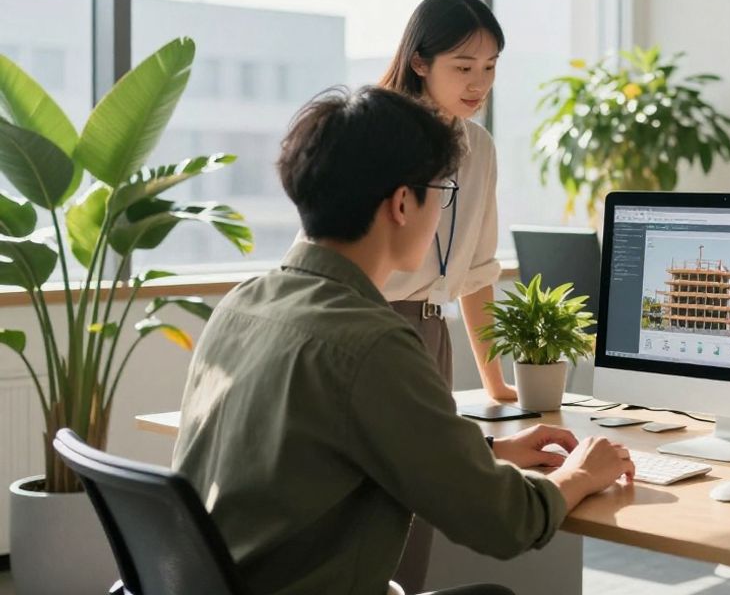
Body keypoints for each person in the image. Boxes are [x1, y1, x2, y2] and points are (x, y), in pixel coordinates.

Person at [173, 87, 634, 595]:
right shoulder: (370, 343)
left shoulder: (241, 306)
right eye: (442, 193)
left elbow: (328, 447)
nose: (441, 213)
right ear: (401, 204)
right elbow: (507, 522)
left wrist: (488, 451)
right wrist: (583, 474)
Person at [375, 0, 517, 590]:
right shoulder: (374, 133)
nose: (478, 83)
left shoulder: (479, 148)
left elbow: (478, 275)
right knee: (382, 504)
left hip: (433, 332)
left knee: (417, 506)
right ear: (419, 63)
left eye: (489, 68)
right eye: (463, 67)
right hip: (375, 327)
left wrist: (497, 386)